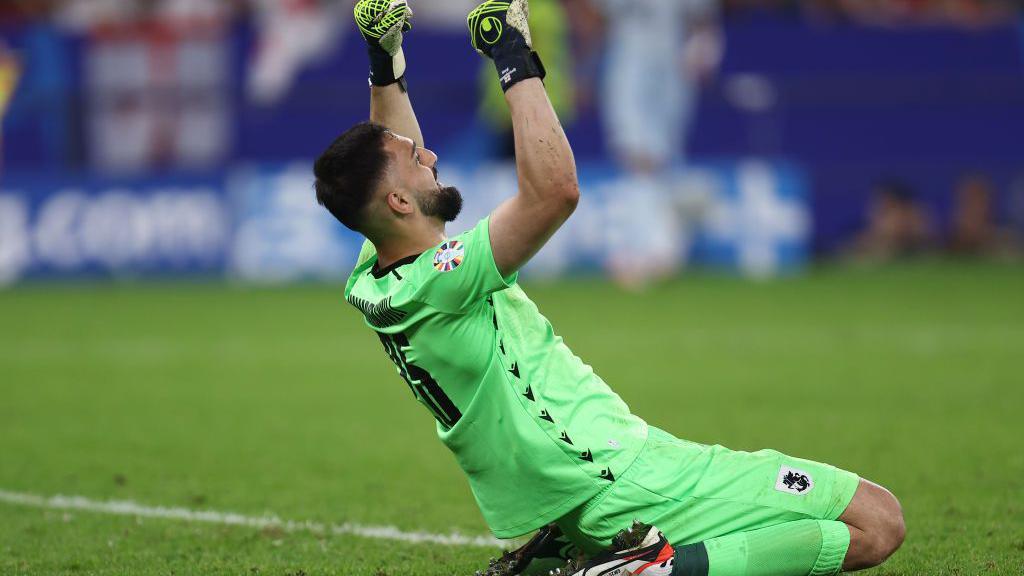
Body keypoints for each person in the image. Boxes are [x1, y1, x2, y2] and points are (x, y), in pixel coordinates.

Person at [314, 2, 905, 575]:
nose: (432, 156)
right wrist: (513, 55)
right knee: (877, 523)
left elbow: (385, 152)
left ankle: (617, 557)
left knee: (808, 528)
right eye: (418, 162)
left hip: (571, 498)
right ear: (397, 202)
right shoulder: (448, 276)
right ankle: (641, 570)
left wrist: (384, 56)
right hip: (623, 476)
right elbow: (554, 193)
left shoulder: (375, 272)